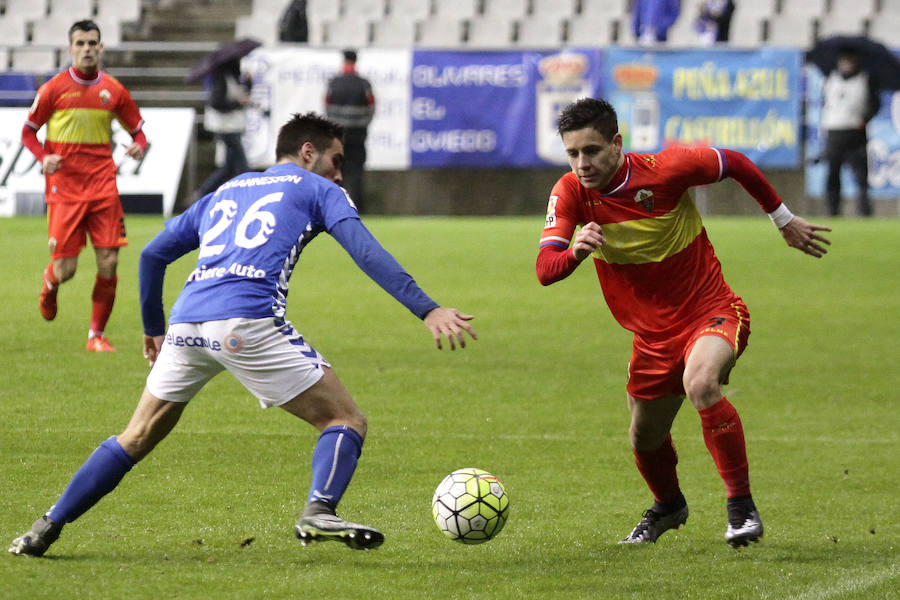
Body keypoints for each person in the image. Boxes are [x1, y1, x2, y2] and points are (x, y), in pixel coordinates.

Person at [9, 112, 477, 557]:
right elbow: (366, 251)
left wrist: (154, 329)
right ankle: (320, 509)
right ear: (308, 152)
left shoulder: (228, 189)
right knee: (345, 421)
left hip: (188, 323)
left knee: (135, 436)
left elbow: (153, 255)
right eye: (336, 162)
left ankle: (45, 526)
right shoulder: (316, 188)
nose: (339, 176)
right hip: (246, 323)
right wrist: (427, 309)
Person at [536, 98, 831, 547]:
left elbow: (734, 162)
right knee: (644, 436)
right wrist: (575, 253)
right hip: (652, 339)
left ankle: (741, 509)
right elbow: (544, 269)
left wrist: (782, 219)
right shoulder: (571, 192)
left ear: (617, 143)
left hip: (710, 310)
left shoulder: (665, 170)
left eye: (592, 151)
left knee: (701, 383)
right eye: (573, 153)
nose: (582, 163)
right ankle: (668, 506)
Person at [23, 19, 147, 352]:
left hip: (103, 185)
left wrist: (140, 145)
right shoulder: (53, 89)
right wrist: (43, 158)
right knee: (67, 269)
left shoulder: (114, 90)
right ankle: (50, 282)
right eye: (80, 44)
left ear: (101, 47)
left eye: (92, 43)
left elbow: (138, 130)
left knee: (109, 262)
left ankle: (96, 335)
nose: (87, 49)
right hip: (64, 187)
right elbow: (27, 133)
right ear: (70, 49)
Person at [821, 46, 880, 217]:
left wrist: (865, 119)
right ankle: (833, 209)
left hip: (855, 131)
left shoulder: (865, 80)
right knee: (833, 174)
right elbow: (825, 103)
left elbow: (875, 105)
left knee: (861, 174)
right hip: (834, 131)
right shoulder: (831, 79)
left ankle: (864, 209)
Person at [192, 57, 252, 200]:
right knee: (242, 164)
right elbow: (216, 103)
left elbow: (242, 94)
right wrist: (237, 104)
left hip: (232, 126)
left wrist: (250, 83)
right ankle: (250, 194)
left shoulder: (230, 78)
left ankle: (200, 194)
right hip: (226, 127)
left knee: (228, 167)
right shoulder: (221, 79)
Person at [325, 49, 374, 212]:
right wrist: (363, 124)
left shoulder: (334, 83)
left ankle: (337, 208)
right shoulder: (364, 84)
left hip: (338, 136)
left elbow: (327, 106)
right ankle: (357, 207)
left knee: (337, 171)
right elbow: (371, 107)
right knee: (357, 172)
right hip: (358, 134)